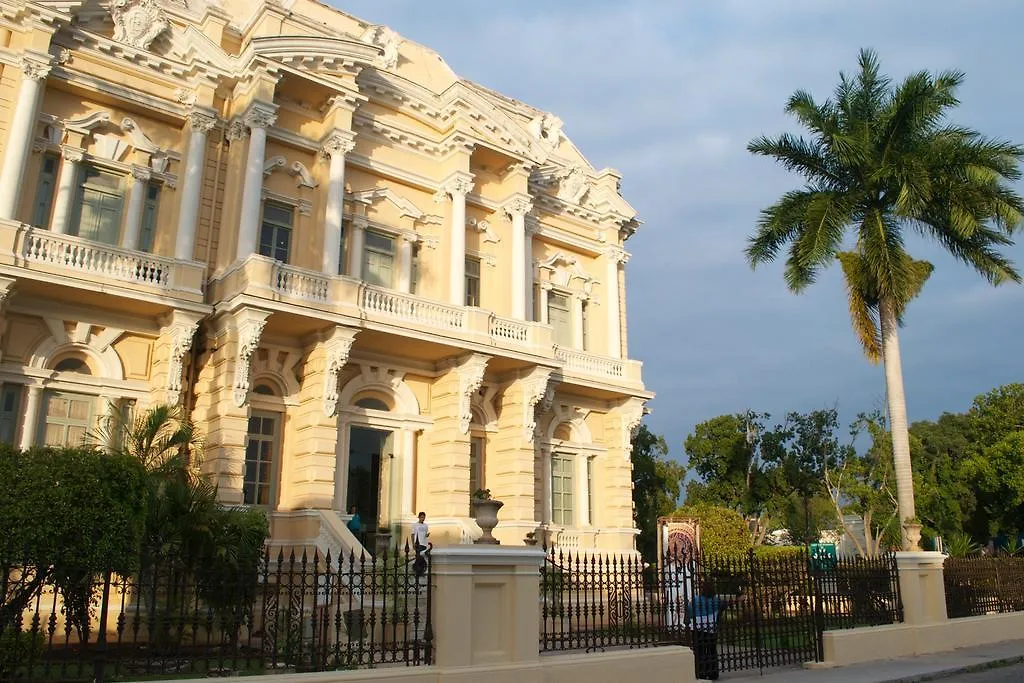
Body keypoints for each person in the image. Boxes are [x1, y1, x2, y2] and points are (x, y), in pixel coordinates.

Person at [690, 579, 726, 680]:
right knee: (711, 651)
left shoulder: (696, 599)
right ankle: (713, 673)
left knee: (699, 651)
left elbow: (689, 611)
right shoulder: (716, 600)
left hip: (697, 628)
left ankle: (701, 673)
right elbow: (724, 605)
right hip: (711, 628)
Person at [411, 511, 431, 577]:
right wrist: (413, 543)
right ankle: (417, 571)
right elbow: (413, 534)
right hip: (418, 543)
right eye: (422, 517)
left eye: (424, 517)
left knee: (422, 556)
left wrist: (427, 535)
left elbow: (424, 534)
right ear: (419, 517)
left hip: (424, 543)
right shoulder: (415, 525)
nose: (423, 519)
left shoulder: (426, 525)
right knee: (418, 556)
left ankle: (421, 570)